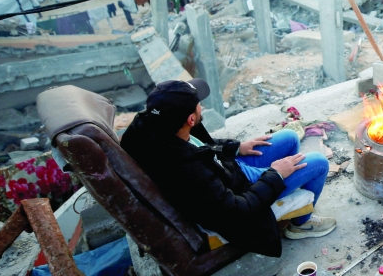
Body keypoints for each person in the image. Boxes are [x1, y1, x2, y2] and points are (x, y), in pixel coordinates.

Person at [121, 79, 335, 258]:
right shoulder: (190, 172)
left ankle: (291, 195)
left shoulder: (153, 126)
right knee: (318, 162)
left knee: (288, 137)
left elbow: (202, 144)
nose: (202, 105)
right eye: (198, 103)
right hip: (241, 190)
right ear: (191, 118)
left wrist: (236, 148)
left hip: (227, 169)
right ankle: (300, 224)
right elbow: (237, 211)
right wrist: (276, 175)